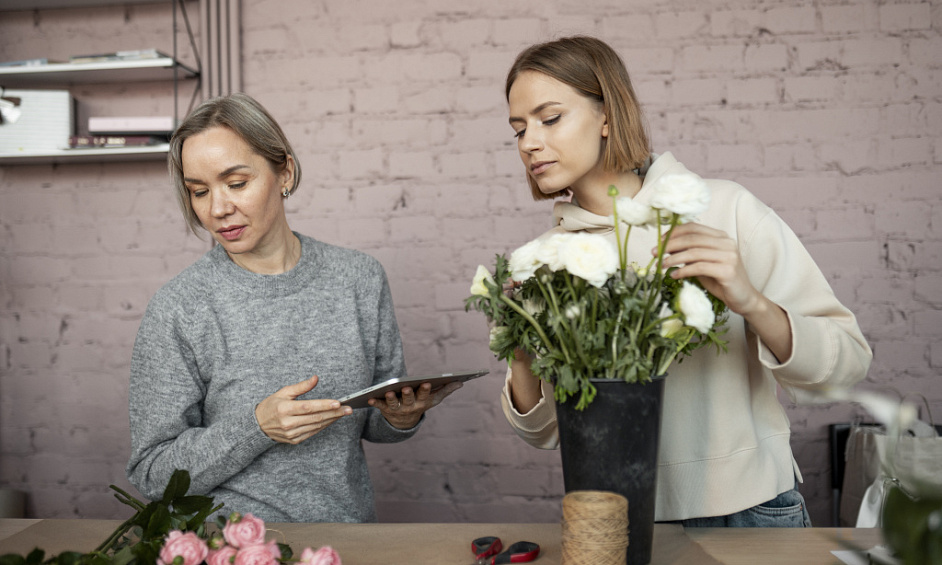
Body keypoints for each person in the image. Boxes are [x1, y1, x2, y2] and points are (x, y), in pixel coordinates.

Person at [499, 36, 873, 527]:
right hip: (616, 521)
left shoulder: (723, 210)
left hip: (750, 512)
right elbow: (546, 434)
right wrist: (521, 349)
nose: (529, 142)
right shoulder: (548, 262)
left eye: (550, 119)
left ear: (608, 115)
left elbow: (846, 365)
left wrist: (751, 302)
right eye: (518, 129)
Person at [126, 93, 460, 523]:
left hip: (346, 540)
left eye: (237, 183)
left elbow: (372, 424)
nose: (218, 208)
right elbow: (152, 471)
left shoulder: (359, 279)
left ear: (284, 170)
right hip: (229, 549)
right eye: (199, 192)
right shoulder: (180, 308)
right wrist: (256, 428)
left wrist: (401, 416)